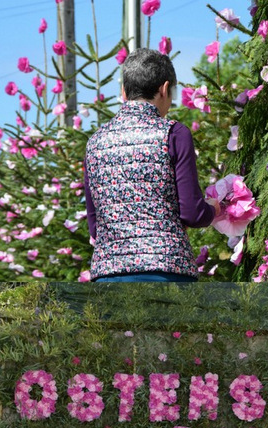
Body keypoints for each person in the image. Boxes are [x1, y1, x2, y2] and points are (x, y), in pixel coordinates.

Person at [84, 48, 217, 282]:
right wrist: (214, 209)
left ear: (124, 92)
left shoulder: (95, 141)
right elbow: (193, 214)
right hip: (166, 270)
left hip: (108, 275)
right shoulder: (174, 133)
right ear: (165, 89)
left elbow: (95, 227)